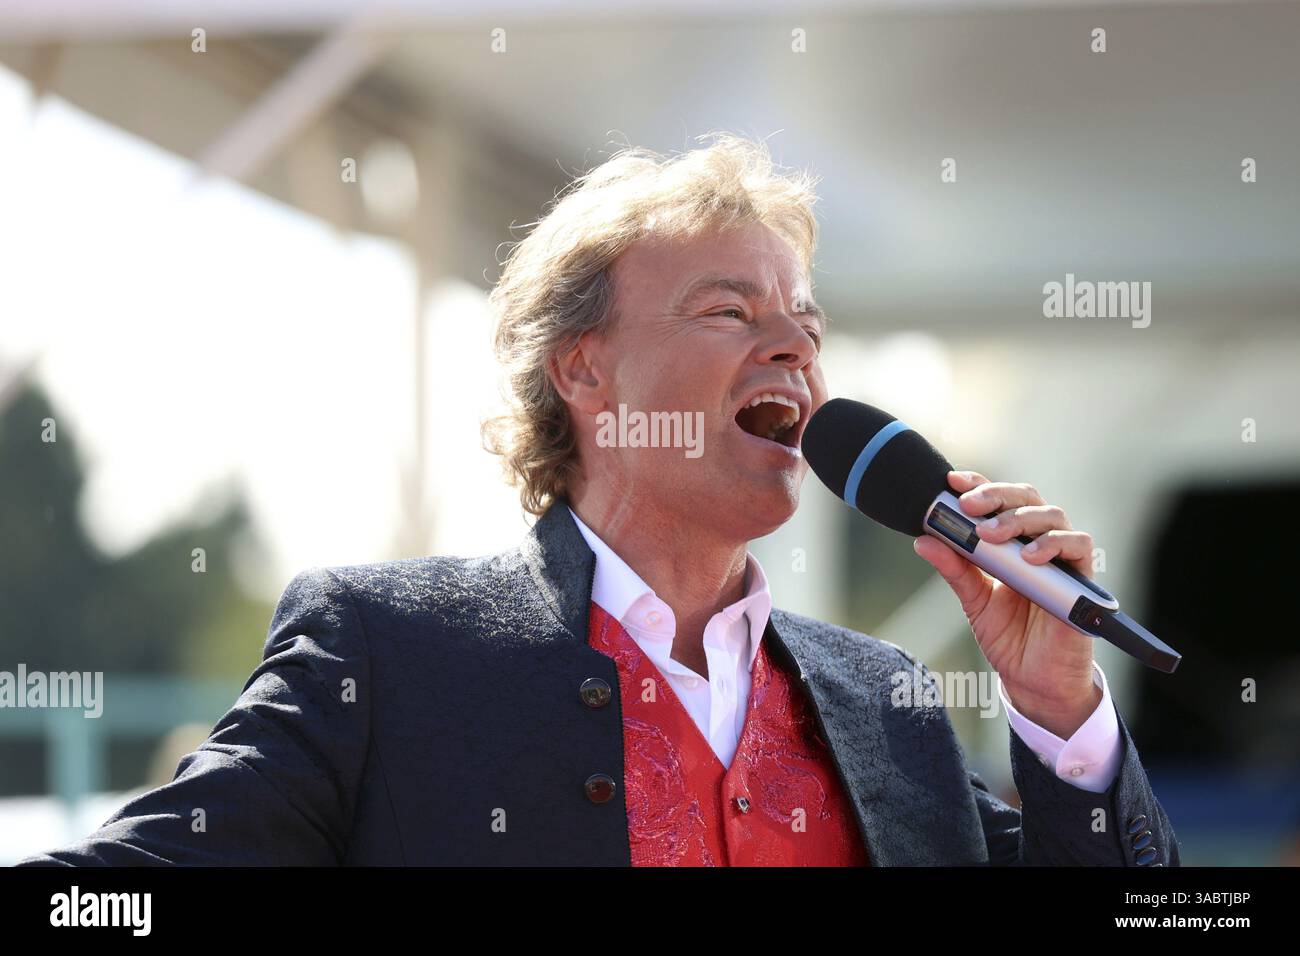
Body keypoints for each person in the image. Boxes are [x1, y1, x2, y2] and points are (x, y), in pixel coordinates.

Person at [17, 134, 1178, 866]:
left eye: (807, 324)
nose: (793, 349)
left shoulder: (886, 701)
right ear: (582, 370)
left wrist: (1064, 720)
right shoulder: (384, 650)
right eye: (729, 312)